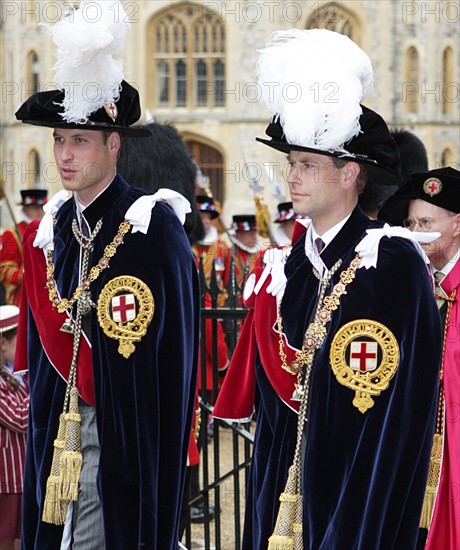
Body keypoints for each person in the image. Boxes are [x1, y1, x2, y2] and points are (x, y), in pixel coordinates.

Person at [213, 28, 441, 549]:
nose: (292, 177)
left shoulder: (392, 262)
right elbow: (276, 408)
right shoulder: (289, 265)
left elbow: (401, 414)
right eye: (292, 163)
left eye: (308, 166)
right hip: (282, 493)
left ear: (349, 175)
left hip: (354, 494)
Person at [13, 2, 199, 548]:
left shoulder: (152, 224)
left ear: (113, 144)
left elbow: (175, 357)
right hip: (56, 428)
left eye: (81, 141)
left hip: (122, 436)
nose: (65, 156)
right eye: (60, 141)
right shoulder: (54, 228)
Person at [379, 167, 460, 549]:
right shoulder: (415, 284)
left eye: (426, 222)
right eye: (410, 223)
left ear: (458, 225)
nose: (415, 232)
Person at [0, 305, 29, 550]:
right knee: (7, 540)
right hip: (6, 479)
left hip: (17, 475)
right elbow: (20, 418)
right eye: (20, 340)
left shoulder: (8, 377)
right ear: (3, 343)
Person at [0, 189, 47, 306]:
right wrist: (24, 276)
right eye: (36, 207)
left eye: (43, 207)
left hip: (46, 295)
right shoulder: (12, 234)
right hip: (22, 299)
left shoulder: (48, 232)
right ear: (25, 208)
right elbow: (4, 270)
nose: (40, 211)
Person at [227, 214, 265, 291]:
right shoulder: (228, 254)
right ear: (239, 233)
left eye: (254, 233)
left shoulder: (263, 254)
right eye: (250, 233)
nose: (254, 237)